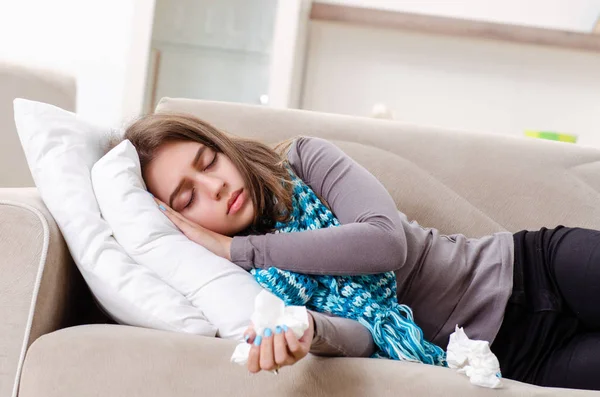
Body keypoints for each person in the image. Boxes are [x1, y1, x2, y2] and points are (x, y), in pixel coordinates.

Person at [121, 112, 600, 391]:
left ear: (223, 147)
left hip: (535, 267)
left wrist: (239, 248)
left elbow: (382, 242)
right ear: (179, 220)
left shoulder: (304, 161)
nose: (216, 186)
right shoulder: (246, 286)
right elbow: (364, 338)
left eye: (209, 161)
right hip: (512, 361)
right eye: (188, 198)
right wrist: (308, 328)